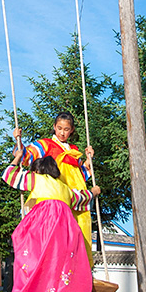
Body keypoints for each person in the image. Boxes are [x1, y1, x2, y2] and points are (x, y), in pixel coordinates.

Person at [2, 150, 100, 292]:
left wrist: (17, 157)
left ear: (38, 170)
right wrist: (93, 192)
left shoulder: (36, 178)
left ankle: (28, 289)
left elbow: (9, 175)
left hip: (44, 223)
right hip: (65, 229)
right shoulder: (64, 188)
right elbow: (80, 198)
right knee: (58, 263)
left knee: (28, 251)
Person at [13, 112, 95, 264]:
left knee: (79, 231)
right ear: (54, 128)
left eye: (66, 129)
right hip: (56, 196)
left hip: (75, 196)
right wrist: (18, 141)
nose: (62, 132)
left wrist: (88, 162)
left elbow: (79, 176)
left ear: (71, 130)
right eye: (59, 128)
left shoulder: (74, 151)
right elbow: (26, 157)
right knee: (56, 235)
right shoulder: (45, 145)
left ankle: (79, 269)